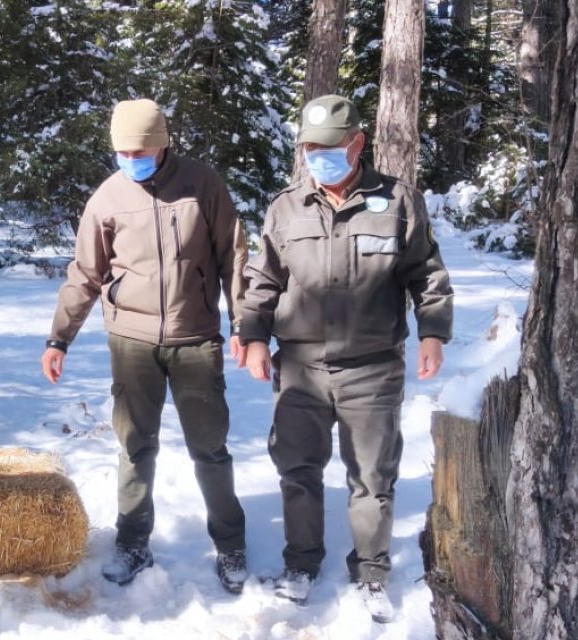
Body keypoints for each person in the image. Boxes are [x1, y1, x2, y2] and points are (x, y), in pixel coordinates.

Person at [239, 94, 453, 622]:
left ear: (356, 143)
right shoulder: (286, 206)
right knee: (298, 471)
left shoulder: (399, 200)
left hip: (373, 367)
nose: (317, 156)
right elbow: (262, 278)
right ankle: (302, 564)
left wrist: (433, 332)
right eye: (309, 147)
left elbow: (426, 272)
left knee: (373, 478)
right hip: (301, 367)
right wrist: (253, 336)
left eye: (328, 146)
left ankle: (372, 572)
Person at [40, 99, 250, 594]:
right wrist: (59, 337)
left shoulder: (202, 185)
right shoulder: (108, 197)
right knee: (135, 446)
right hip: (132, 343)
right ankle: (133, 541)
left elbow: (232, 256)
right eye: (121, 150)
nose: (129, 158)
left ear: (162, 145)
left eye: (139, 150)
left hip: (195, 339)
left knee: (210, 447)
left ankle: (231, 542)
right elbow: (85, 274)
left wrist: (244, 323)